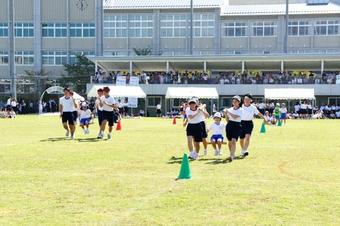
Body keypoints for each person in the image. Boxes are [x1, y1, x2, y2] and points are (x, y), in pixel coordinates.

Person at [224, 95, 243, 161]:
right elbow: (227, 120)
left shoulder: (241, 110)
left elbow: (235, 117)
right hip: (229, 125)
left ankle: (232, 156)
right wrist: (225, 114)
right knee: (229, 141)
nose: (234, 102)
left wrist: (228, 112)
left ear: (239, 102)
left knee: (234, 140)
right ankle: (232, 154)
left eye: (236, 101)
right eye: (233, 101)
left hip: (237, 125)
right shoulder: (230, 109)